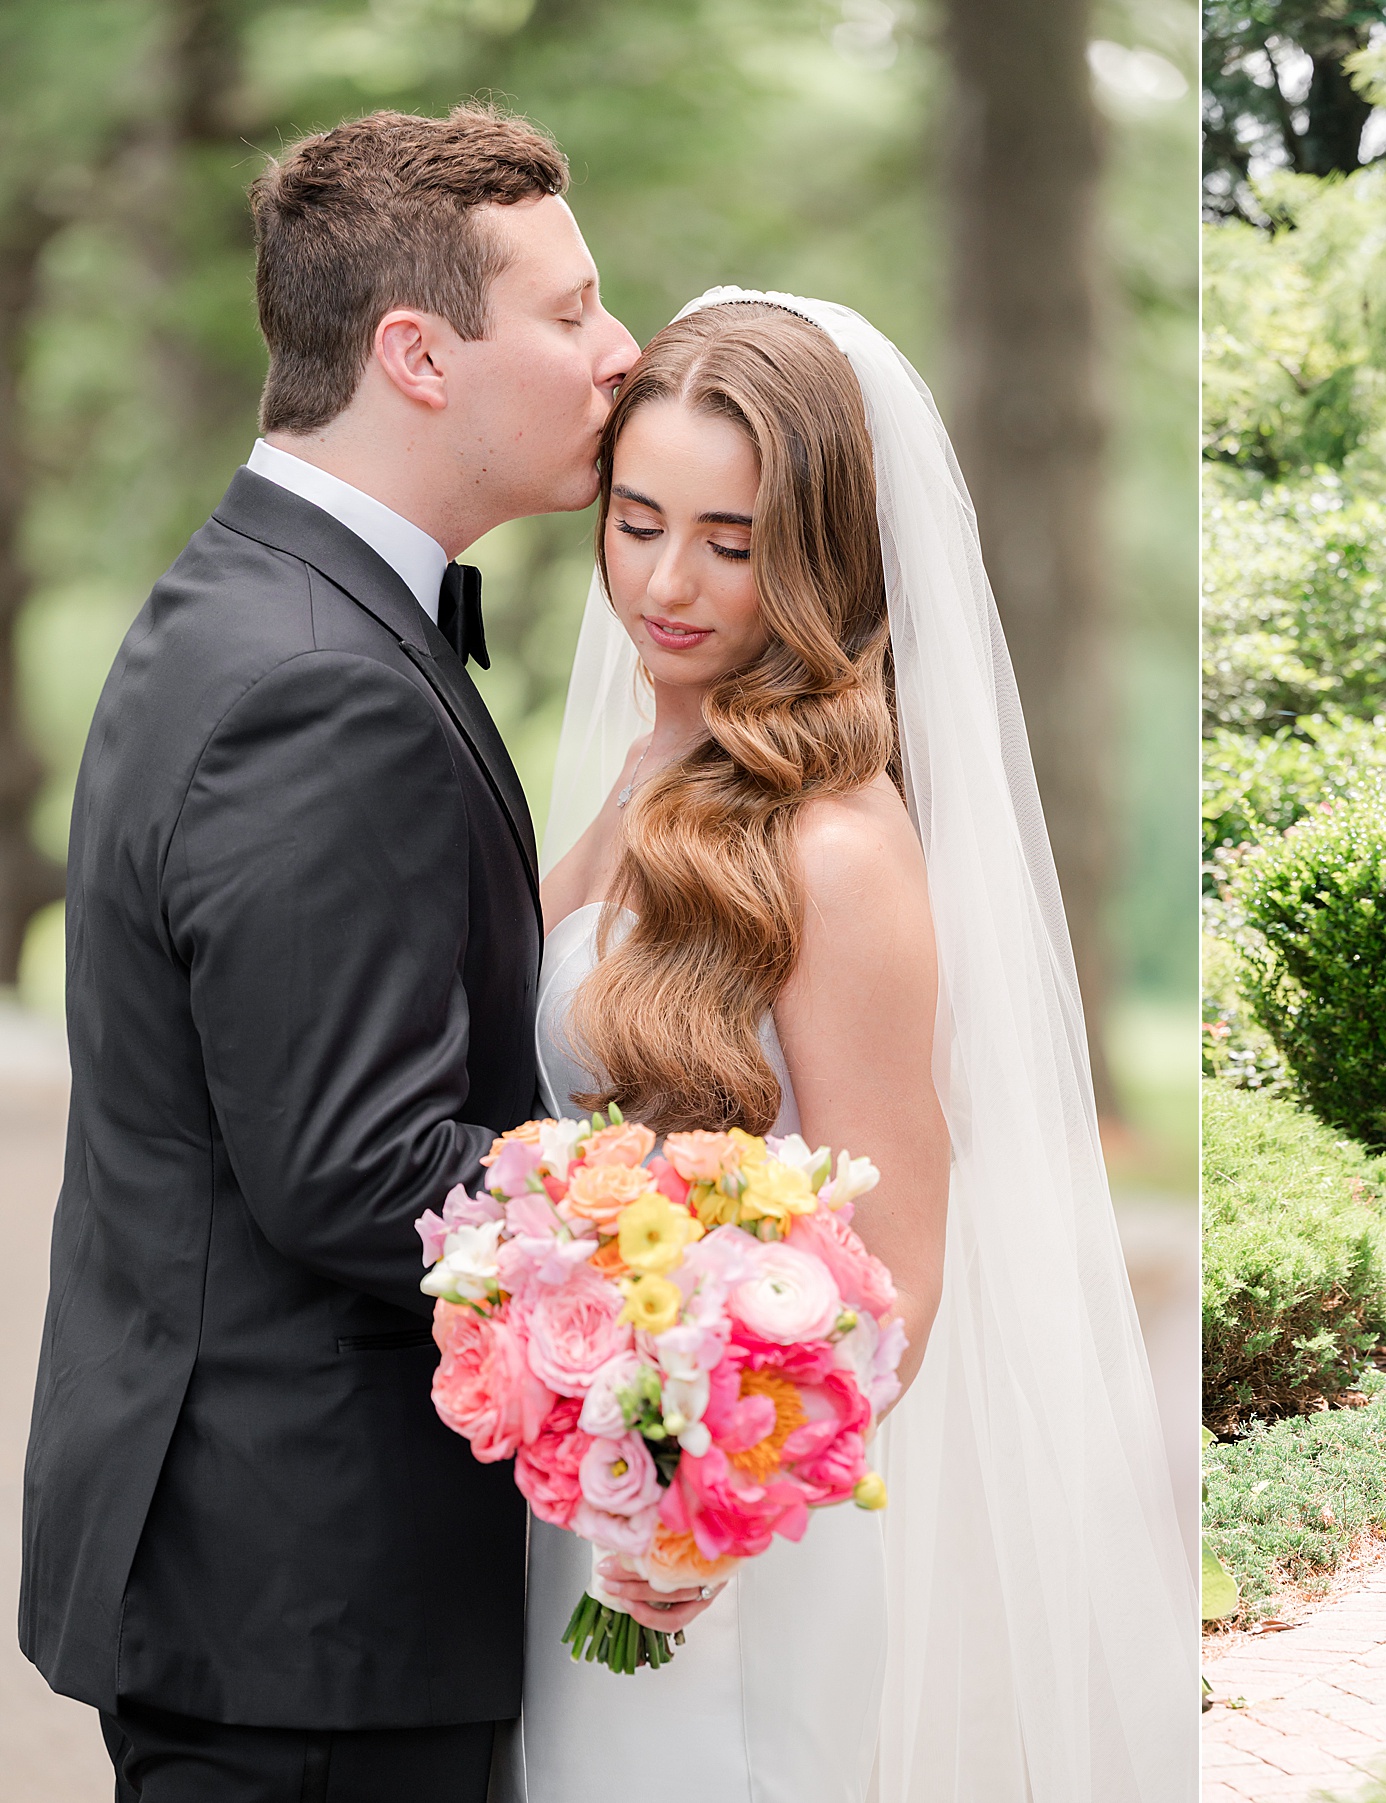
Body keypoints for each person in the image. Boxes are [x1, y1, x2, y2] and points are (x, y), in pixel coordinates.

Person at [497, 290, 1194, 1802]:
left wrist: (698, 1508)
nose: (667, 582)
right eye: (636, 521)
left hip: (724, 1539)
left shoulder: (834, 842)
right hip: (585, 1491)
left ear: (815, 555)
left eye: (732, 543)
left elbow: (902, 1269)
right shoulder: (640, 763)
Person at [19, 106, 640, 1799]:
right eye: (571, 311)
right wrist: (690, 1228)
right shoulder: (318, 682)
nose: (620, 349)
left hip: (269, 1581)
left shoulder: (261, 603)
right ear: (418, 356)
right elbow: (365, 1170)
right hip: (311, 1612)